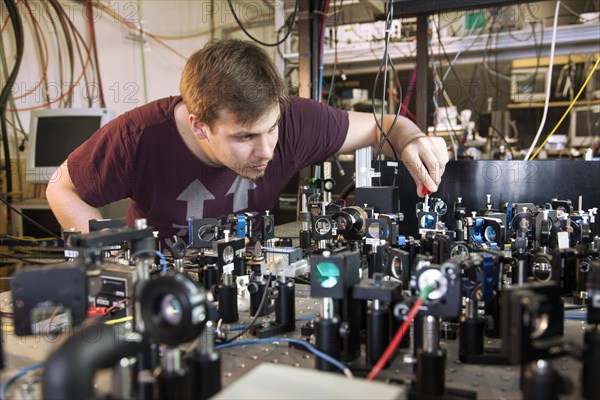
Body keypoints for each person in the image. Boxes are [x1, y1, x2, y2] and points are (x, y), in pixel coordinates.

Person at [46, 39, 448, 242]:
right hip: (164, 294)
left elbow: (386, 126)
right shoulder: (137, 138)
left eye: (270, 128)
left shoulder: (295, 121)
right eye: (245, 136)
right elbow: (61, 188)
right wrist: (120, 263)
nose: (266, 149)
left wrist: (412, 137)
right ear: (199, 125)